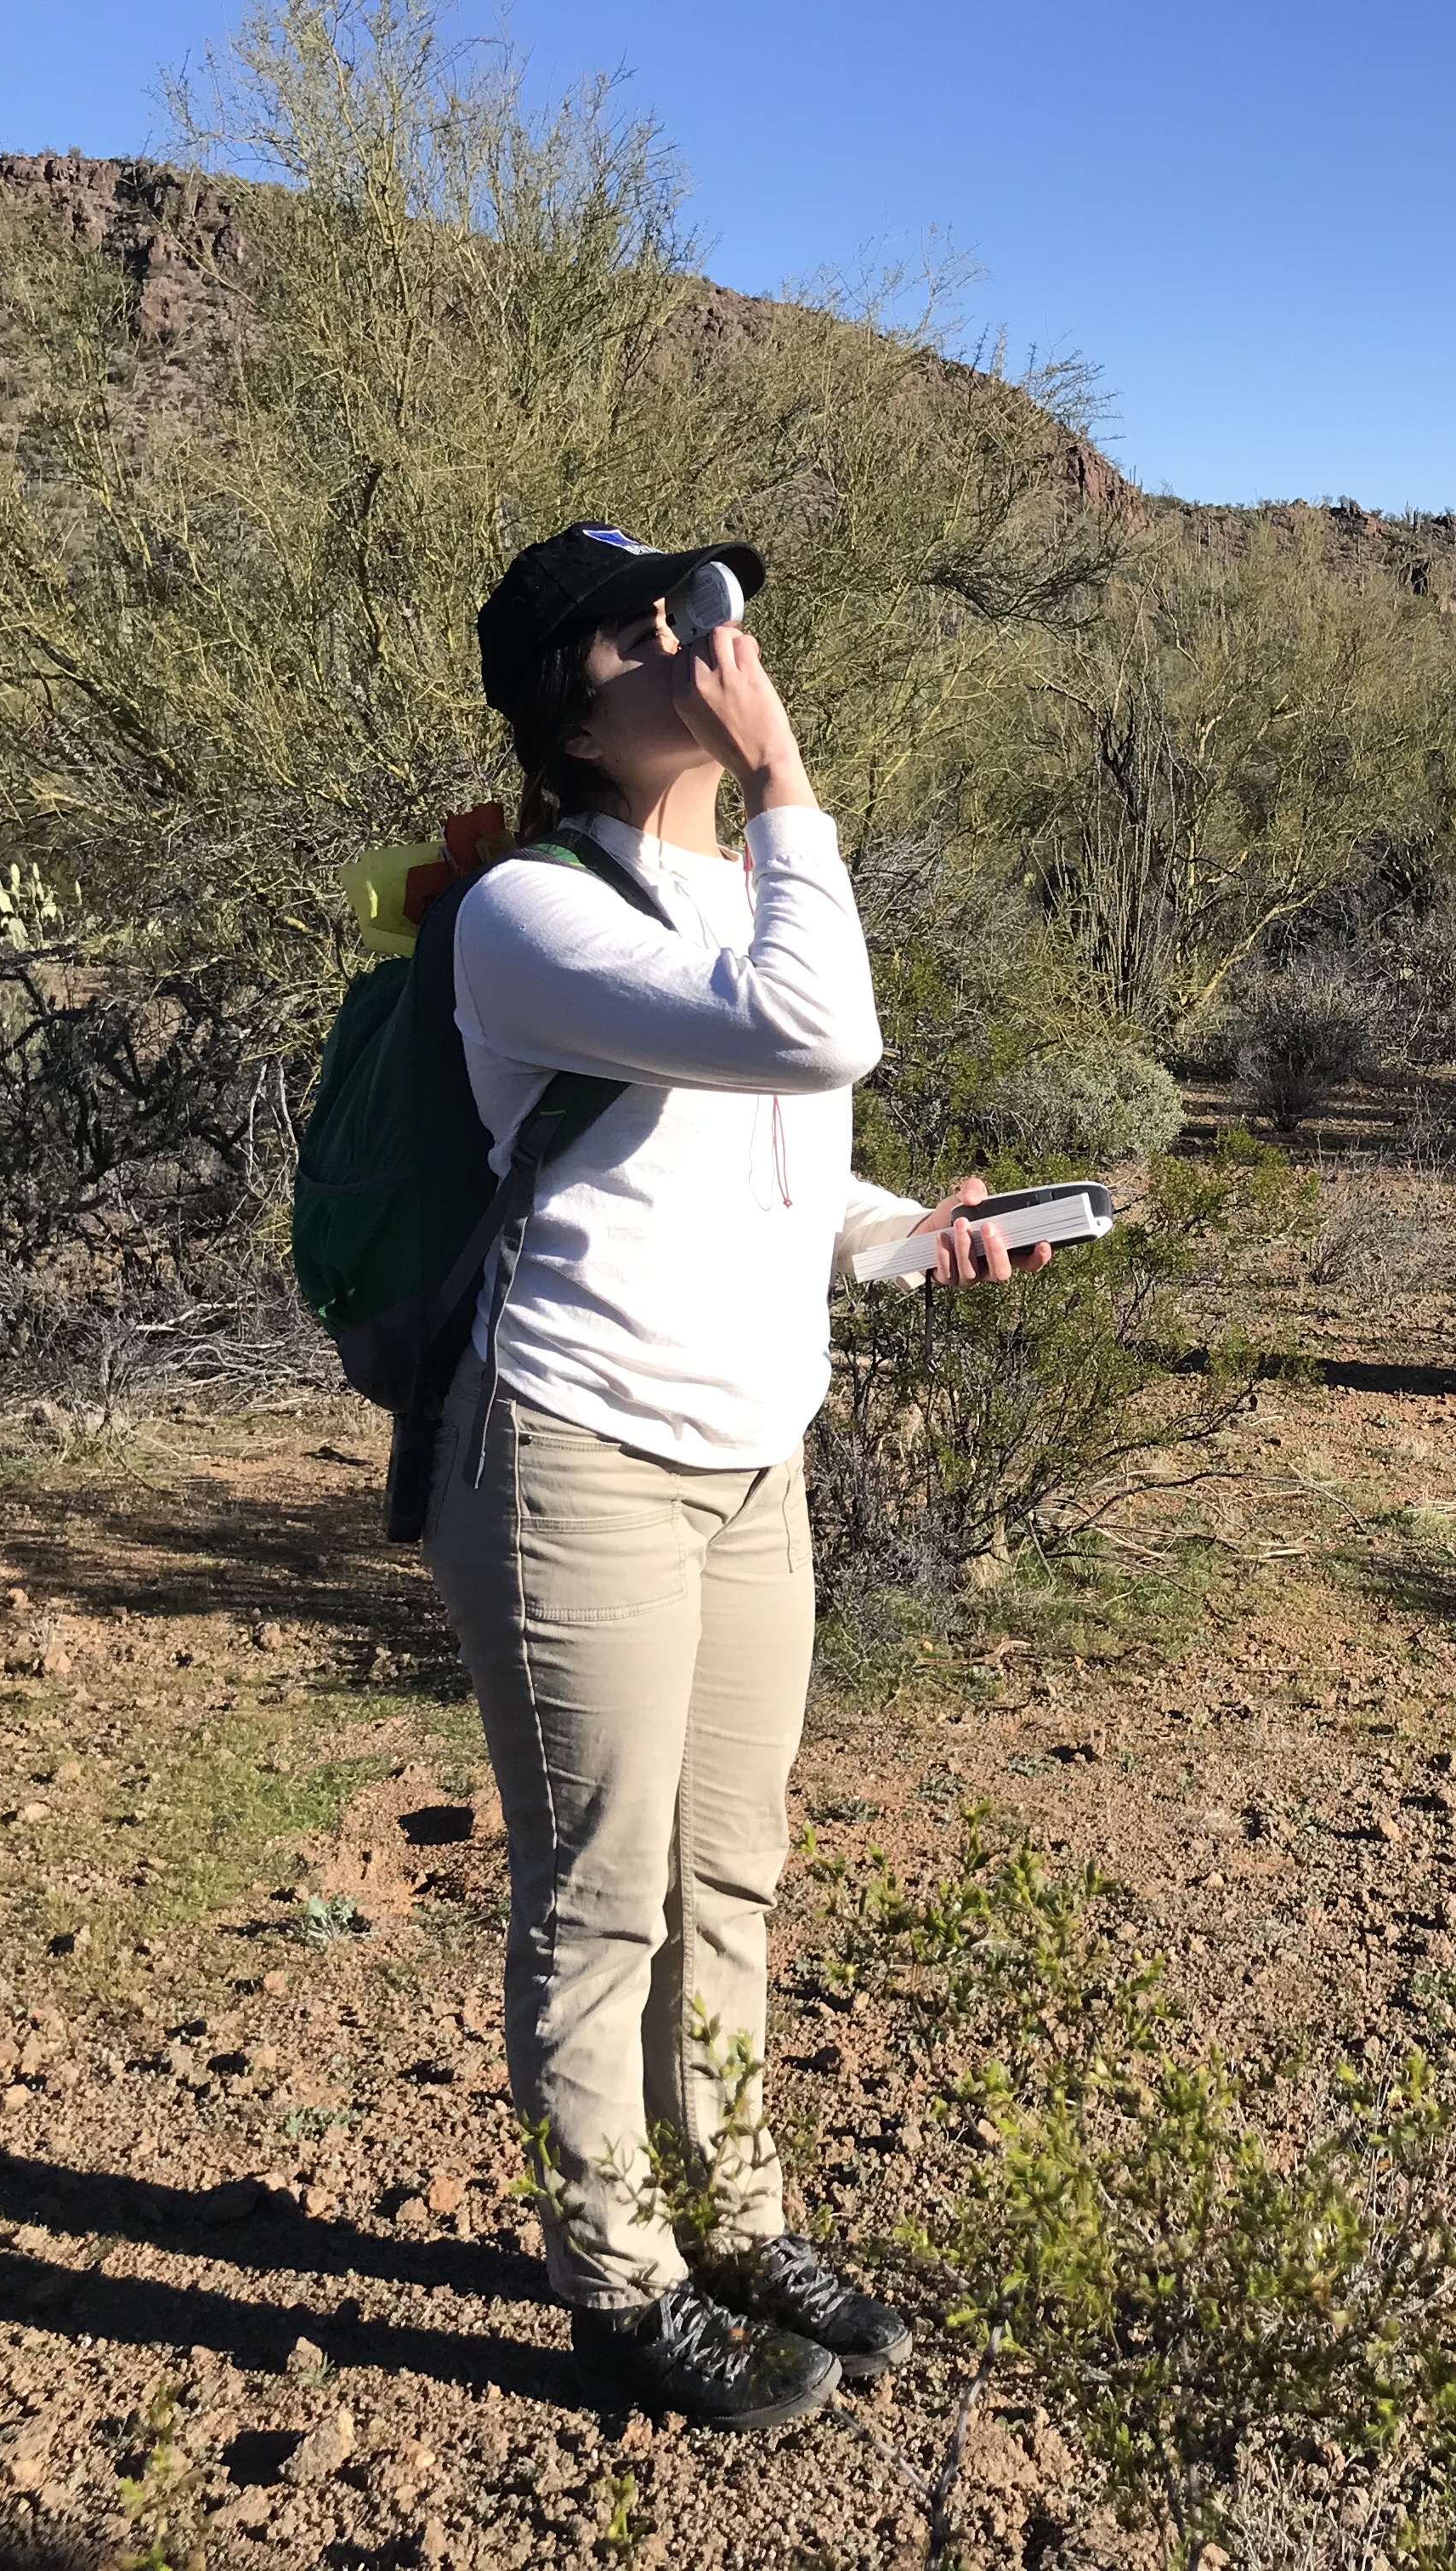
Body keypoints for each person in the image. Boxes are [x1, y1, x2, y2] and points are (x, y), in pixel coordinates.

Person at [435, 522, 1049, 2430]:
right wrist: (785, 770)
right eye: (641, 630)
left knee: (731, 1872)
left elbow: (769, 1152)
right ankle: (616, 2276)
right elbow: (819, 1029)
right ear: (570, 708)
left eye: (698, 612)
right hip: (580, 1454)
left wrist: (900, 1230)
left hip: (751, 1451)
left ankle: (738, 2213)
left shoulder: (738, 895)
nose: (695, 642)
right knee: (604, 1887)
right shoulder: (531, 914)